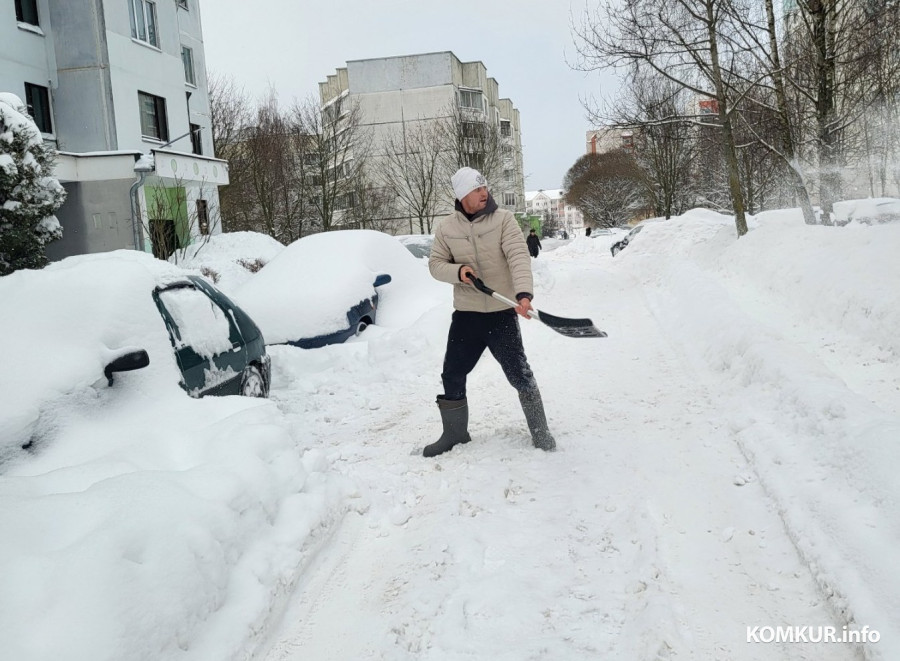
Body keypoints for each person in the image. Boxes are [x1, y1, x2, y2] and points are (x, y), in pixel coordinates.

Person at [425, 166, 556, 457]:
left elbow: (518, 256)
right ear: (462, 195)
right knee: (452, 374)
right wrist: (458, 272)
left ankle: (540, 432)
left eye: (484, 187)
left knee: (519, 374)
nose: (484, 193)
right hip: (467, 315)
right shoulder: (447, 228)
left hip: (501, 312)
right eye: (476, 189)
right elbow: (435, 265)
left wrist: (523, 294)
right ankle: (455, 434)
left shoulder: (504, 220)